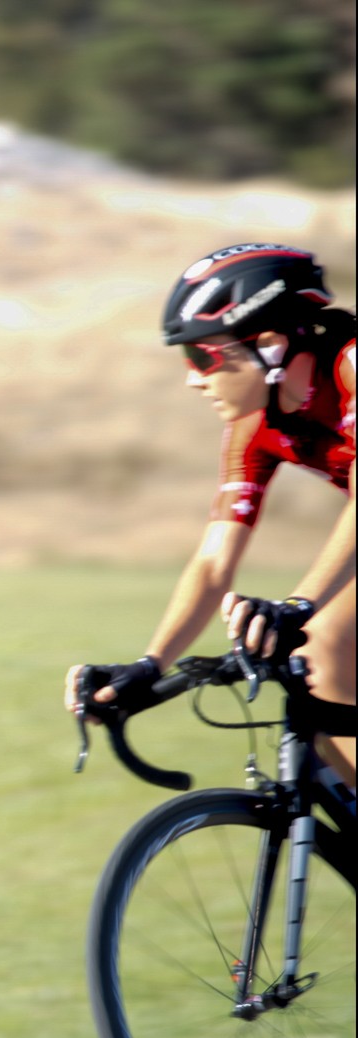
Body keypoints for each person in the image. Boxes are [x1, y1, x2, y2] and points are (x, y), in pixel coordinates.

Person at [66, 243, 354, 786]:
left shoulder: (351, 367)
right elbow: (213, 563)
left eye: (203, 357)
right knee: (315, 694)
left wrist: (296, 605)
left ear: (269, 344)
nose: (192, 379)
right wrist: (149, 667)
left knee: (324, 641)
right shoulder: (255, 425)